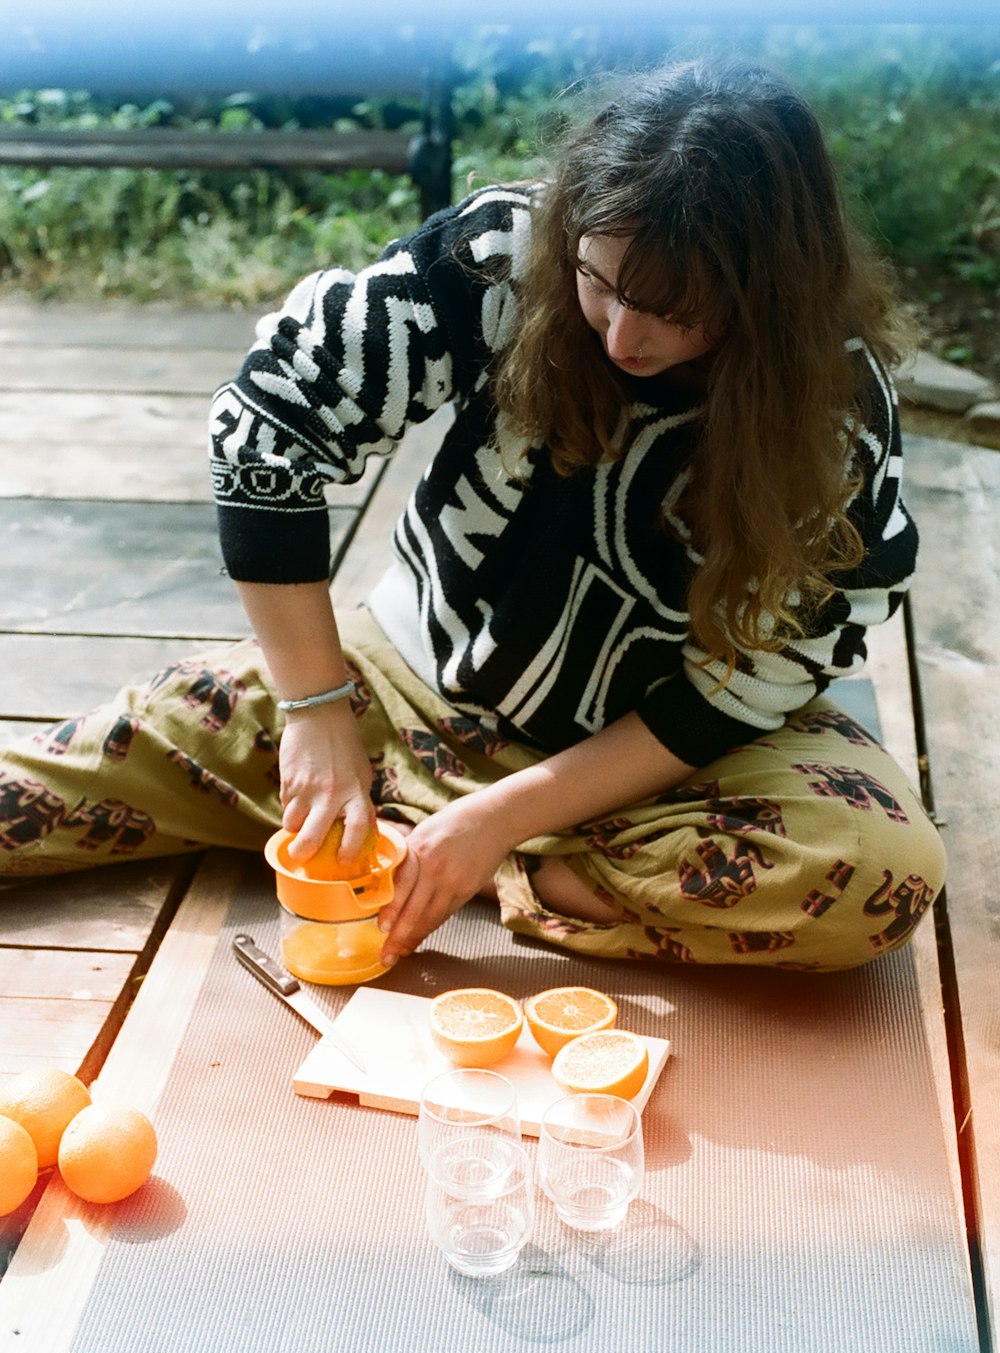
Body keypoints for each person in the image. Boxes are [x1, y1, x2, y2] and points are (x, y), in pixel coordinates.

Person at [0, 56, 946, 971]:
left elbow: (755, 680)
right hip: (398, 699)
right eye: (602, 283)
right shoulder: (503, 255)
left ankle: (450, 856)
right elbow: (268, 423)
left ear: (770, 291)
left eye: (677, 311)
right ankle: (441, 839)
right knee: (57, 780)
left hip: (655, 773)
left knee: (877, 876)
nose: (622, 336)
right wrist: (317, 708)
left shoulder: (836, 411)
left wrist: (499, 822)